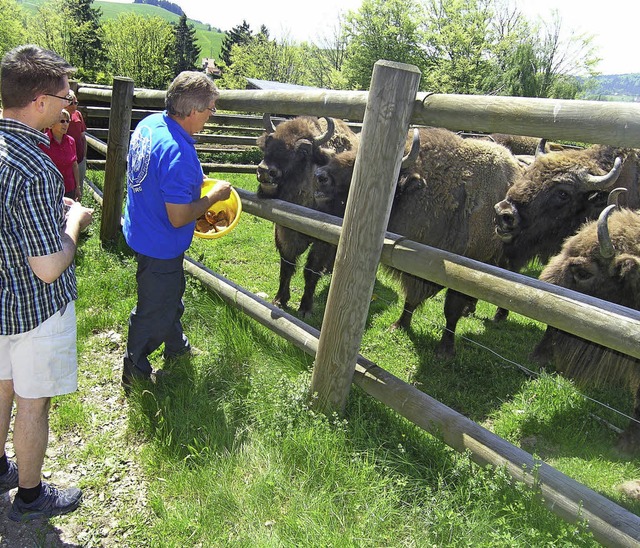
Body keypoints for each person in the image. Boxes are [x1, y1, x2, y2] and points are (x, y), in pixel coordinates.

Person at [0, 44, 93, 521]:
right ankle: (32, 496)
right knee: (33, 404)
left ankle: (0, 468)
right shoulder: (35, 165)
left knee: (0, 386)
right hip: (33, 306)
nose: (68, 105)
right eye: (64, 98)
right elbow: (49, 266)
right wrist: (73, 221)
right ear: (39, 100)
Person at [122, 71, 231, 387]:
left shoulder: (150, 125)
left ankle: (177, 349)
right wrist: (212, 197)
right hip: (161, 242)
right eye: (210, 108)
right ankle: (135, 371)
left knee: (168, 297)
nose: (211, 115)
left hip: (142, 228)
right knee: (153, 311)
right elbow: (179, 217)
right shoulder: (179, 154)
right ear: (194, 110)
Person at [39, 108, 80, 200]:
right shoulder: (42, 142)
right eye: (62, 121)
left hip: (69, 188)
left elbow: (74, 165)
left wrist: (78, 187)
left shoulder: (71, 141)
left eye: (67, 121)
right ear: (51, 124)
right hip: (50, 189)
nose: (65, 124)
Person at [65, 90, 87, 199]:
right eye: (71, 103)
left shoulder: (78, 114)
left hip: (80, 157)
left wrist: (84, 156)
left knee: (79, 186)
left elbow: (83, 136)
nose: (74, 106)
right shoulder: (59, 117)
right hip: (66, 158)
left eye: (76, 103)